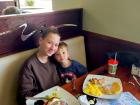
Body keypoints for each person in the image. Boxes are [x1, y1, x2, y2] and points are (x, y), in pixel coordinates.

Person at [17, 27, 61, 105]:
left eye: (56, 45)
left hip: (58, 99)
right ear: (40, 40)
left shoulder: (55, 59)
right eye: (50, 42)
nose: (53, 48)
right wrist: (45, 101)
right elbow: (23, 97)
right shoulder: (29, 65)